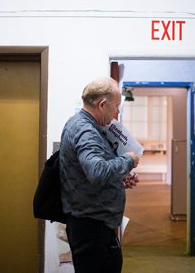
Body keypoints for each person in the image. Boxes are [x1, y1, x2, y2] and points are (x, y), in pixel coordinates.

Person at [59, 77, 140, 273]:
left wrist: (118, 177)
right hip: (91, 229)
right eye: (116, 106)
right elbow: (96, 171)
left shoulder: (82, 124)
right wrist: (129, 160)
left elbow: (89, 171)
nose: (117, 112)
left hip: (94, 225)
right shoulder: (86, 130)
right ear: (103, 104)